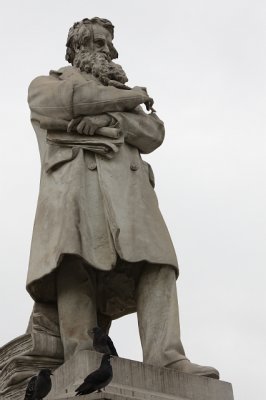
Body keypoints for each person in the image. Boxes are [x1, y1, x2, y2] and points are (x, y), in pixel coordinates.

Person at [26, 17, 219, 378]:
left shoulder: (118, 97)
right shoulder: (46, 85)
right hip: (77, 189)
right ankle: (82, 354)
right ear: (76, 49)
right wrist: (133, 97)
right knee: (75, 264)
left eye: (108, 44)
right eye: (97, 43)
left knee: (159, 263)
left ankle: (167, 356)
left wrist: (109, 122)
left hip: (130, 195)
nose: (107, 50)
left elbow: (152, 132)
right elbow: (76, 102)